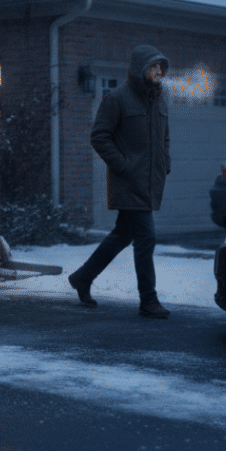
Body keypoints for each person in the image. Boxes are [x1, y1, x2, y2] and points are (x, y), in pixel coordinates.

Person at [68, 44, 171, 319]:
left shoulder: (160, 100)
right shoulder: (117, 99)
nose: (159, 70)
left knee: (122, 235)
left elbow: (164, 137)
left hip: (150, 182)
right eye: (154, 66)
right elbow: (99, 136)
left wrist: (165, 161)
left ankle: (82, 277)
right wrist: (122, 165)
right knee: (146, 238)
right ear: (140, 69)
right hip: (128, 183)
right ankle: (148, 300)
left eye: (161, 66)